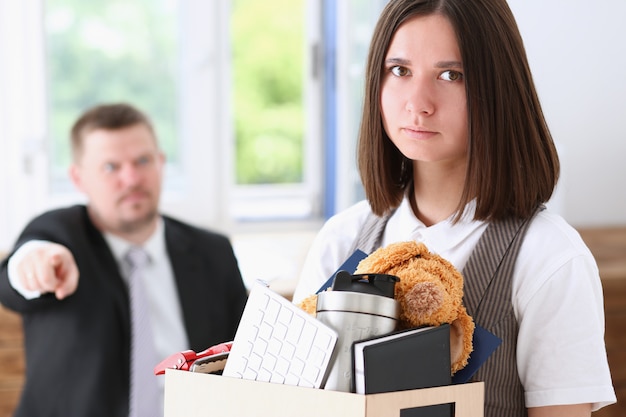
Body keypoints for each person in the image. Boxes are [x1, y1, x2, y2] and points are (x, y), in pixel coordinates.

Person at [292, 1, 616, 416]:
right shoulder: (341, 239)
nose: (419, 103)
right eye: (400, 70)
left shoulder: (550, 257)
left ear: (498, 89)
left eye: (451, 75)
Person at [0, 103, 248, 417]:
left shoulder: (213, 251)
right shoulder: (59, 235)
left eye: (142, 161)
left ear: (160, 163)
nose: (131, 179)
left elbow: (244, 360)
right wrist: (32, 266)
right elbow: (16, 275)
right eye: (110, 167)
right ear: (78, 179)